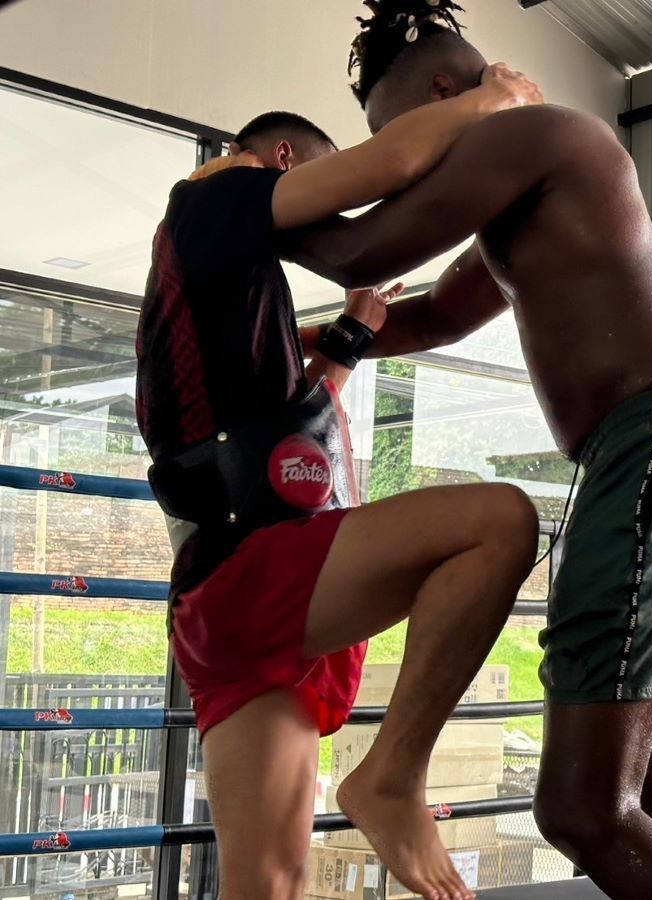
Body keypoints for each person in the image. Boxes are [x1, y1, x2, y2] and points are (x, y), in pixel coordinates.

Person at [282, 1, 652, 896]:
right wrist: (334, 343)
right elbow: (434, 313)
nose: (403, 164)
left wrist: (242, 201)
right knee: (647, 802)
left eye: (397, 138)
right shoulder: (528, 179)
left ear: (441, 94)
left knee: (583, 809)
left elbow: (362, 247)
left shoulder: (535, 132)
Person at [137, 65, 544, 900]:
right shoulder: (215, 199)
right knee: (498, 523)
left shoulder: (229, 289)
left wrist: (354, 333)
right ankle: (393, 775)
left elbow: (287, 425)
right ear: (287, 161)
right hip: (258, 569)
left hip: (238, 595)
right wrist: (490, 99)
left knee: (267, 886)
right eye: (322, 184)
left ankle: (387, 778)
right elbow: (389, 164)